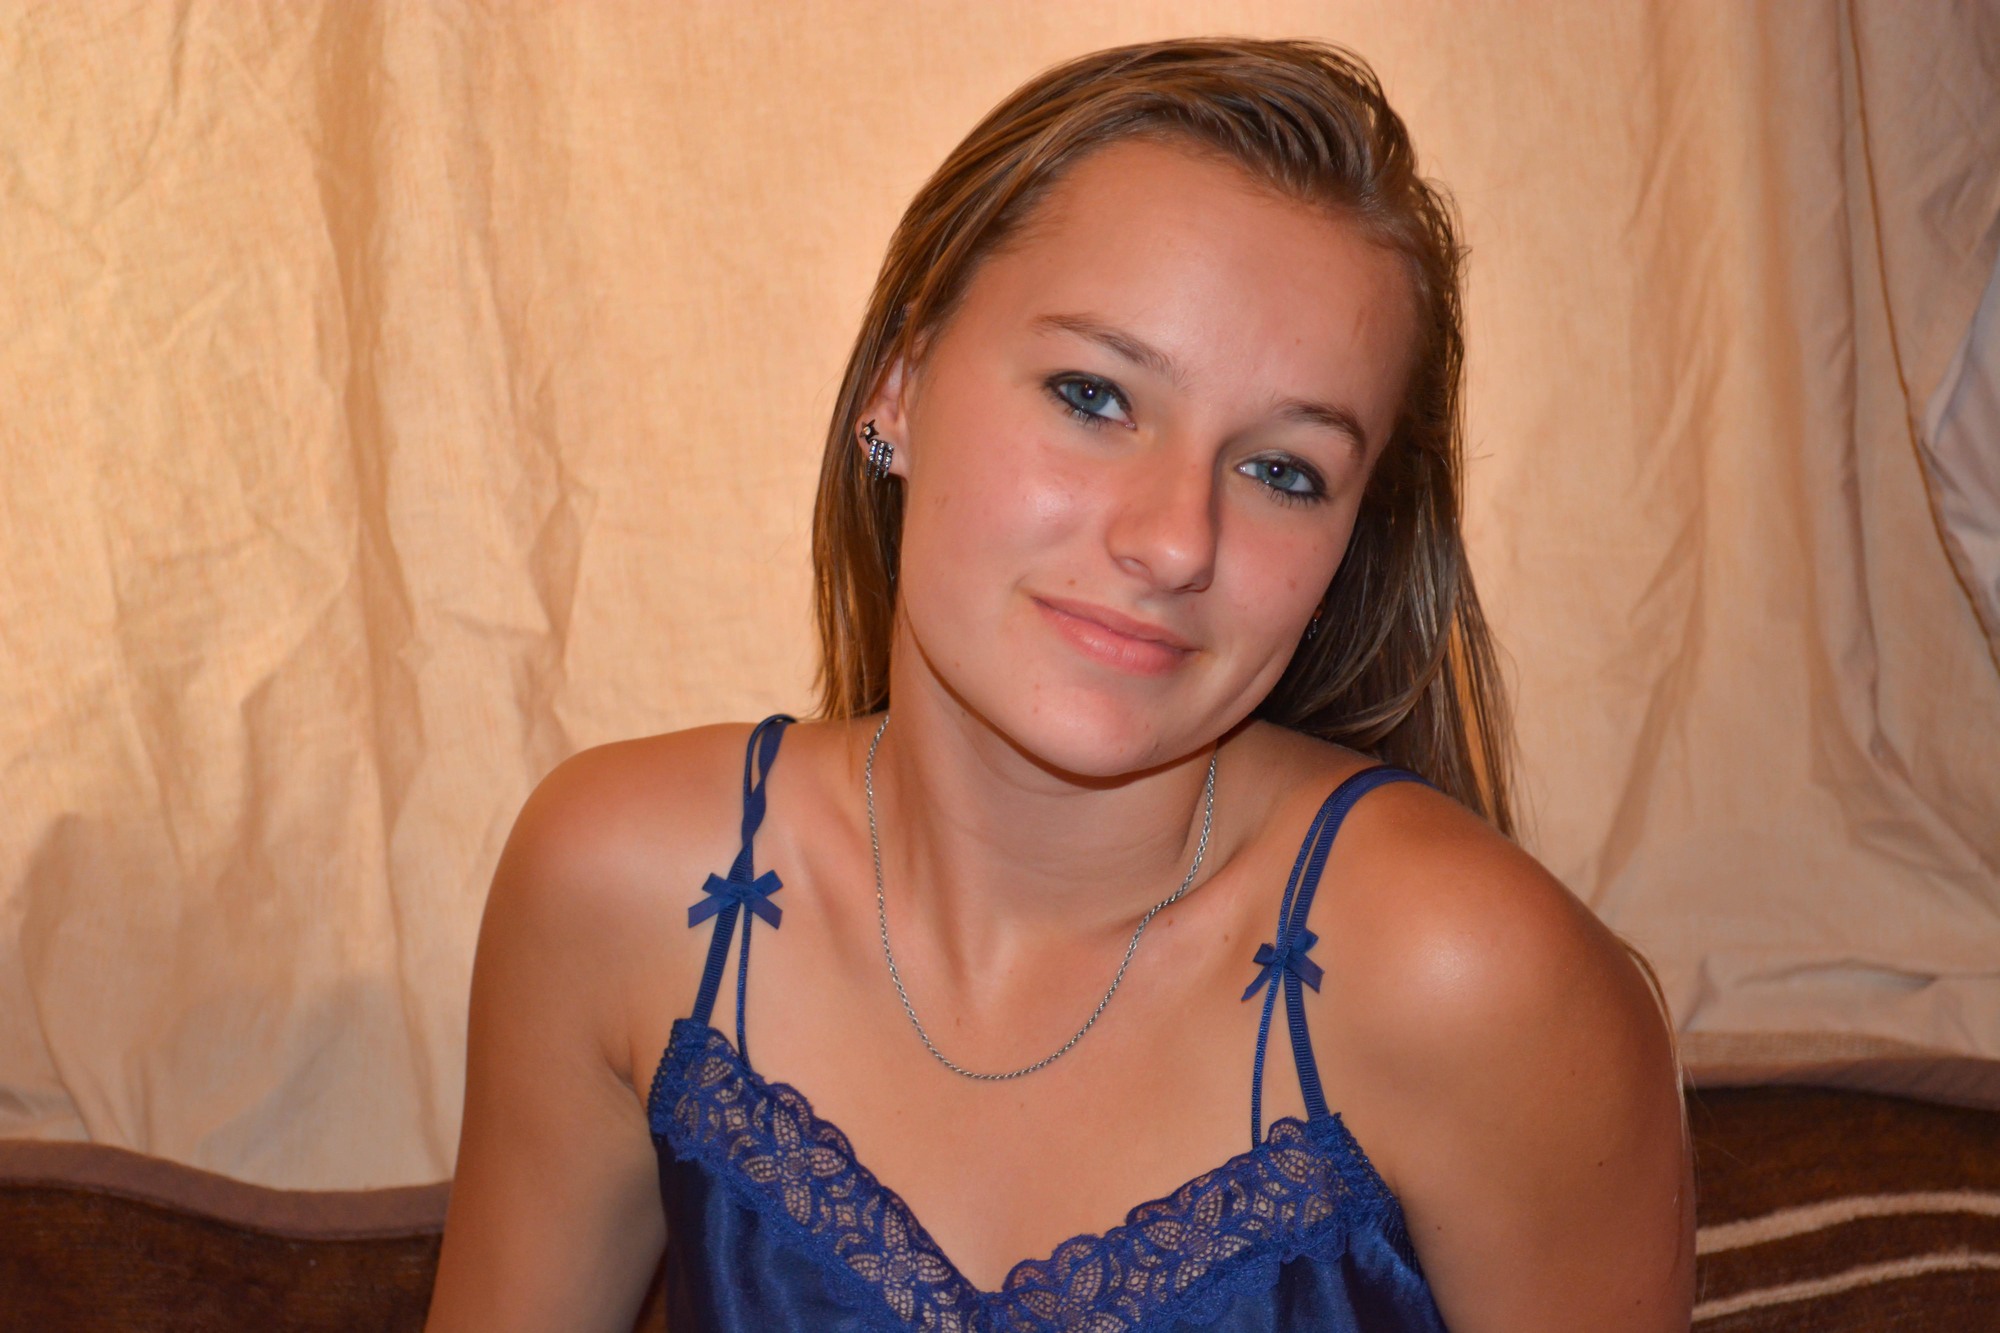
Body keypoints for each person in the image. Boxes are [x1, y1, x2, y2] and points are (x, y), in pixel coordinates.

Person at [426, 37, 1695, 1332]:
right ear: (899, 384)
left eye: (1283, 471)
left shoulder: (1477, 986)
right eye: (1094, 396)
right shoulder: (625, 888)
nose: (1176, 539)